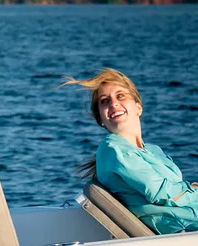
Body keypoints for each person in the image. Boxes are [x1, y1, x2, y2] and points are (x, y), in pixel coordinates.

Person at [64, 68, 198, 234]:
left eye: (120, 96)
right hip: (178, 229)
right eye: (105, 101)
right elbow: (162, 193)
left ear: (138, 107)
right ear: (101, 120)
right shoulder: (113, 148)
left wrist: (191, 190)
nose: (113, 103)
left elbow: (177, 191)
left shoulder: (153, 151)